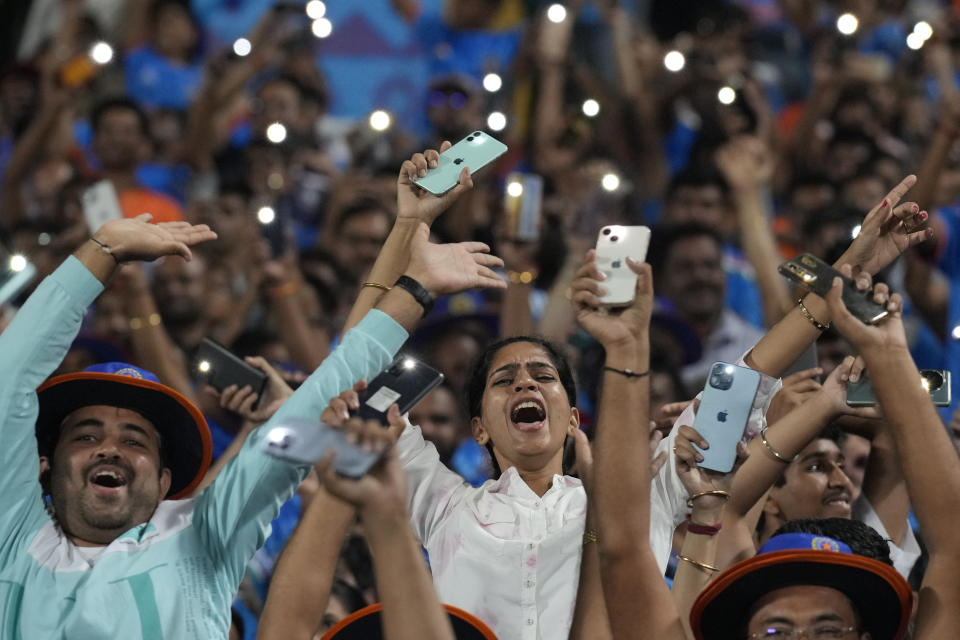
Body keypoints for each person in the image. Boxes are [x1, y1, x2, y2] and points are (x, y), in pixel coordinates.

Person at [0, 205, 503, 636]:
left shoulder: (200, 537)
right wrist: (99, 252)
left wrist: (415, 291)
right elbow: (9, 375)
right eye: (87, 435)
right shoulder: (14, 535)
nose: (110, 448)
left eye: (135, 440)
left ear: (166, 481)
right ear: (45, 464)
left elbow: (317, 400)